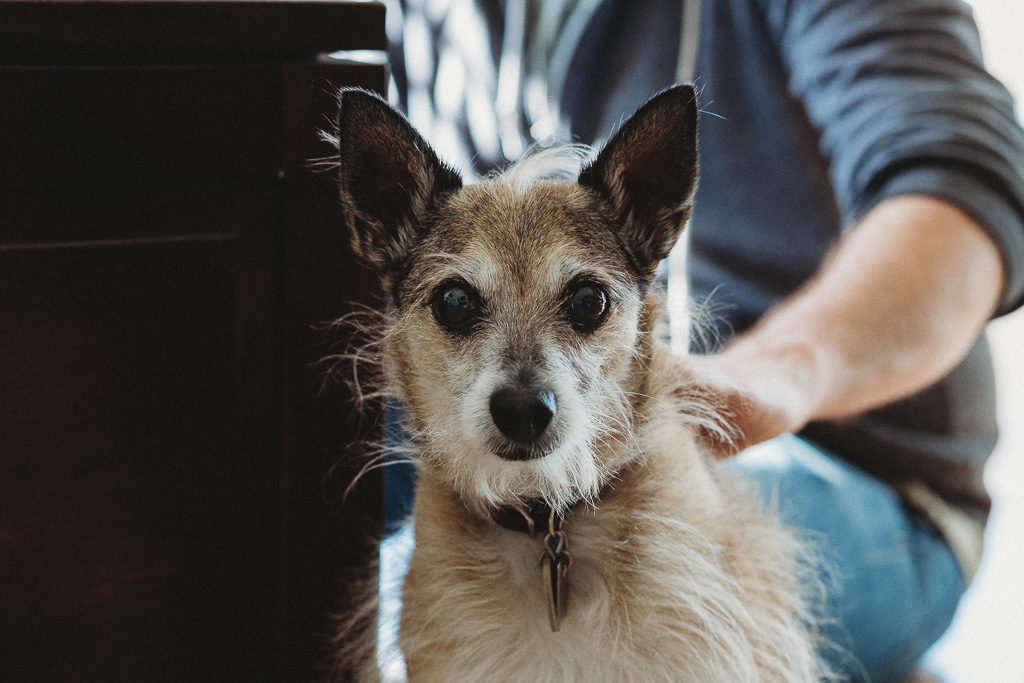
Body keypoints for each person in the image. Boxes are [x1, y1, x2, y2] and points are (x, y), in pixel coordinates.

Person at [379, 0, 1024, 679]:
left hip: (843, 458)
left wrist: (773, 378)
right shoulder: (428, 17)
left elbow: (963, 183)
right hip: (518, 447)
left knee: (414, 601)